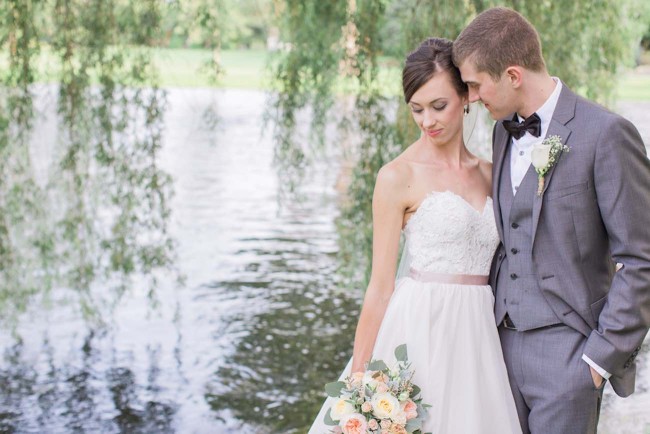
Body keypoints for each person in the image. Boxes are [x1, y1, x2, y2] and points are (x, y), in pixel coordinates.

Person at [308, 37, 521, 434]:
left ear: (466, 97)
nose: (428, 121)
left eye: (439, 106)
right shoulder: (397, 177)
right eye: (417, 109)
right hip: (419, 329)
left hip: (478, 335)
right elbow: (379, 287)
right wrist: (358, 382)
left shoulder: (492, 173)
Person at [452, 7, 650, 434]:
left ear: (512, 75)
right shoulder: (502, 130)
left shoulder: (607, 134)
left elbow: (640, 259)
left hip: (569, 358)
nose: (470, 97)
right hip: (496, 352)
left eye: (474, 84)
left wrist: (598, 361)